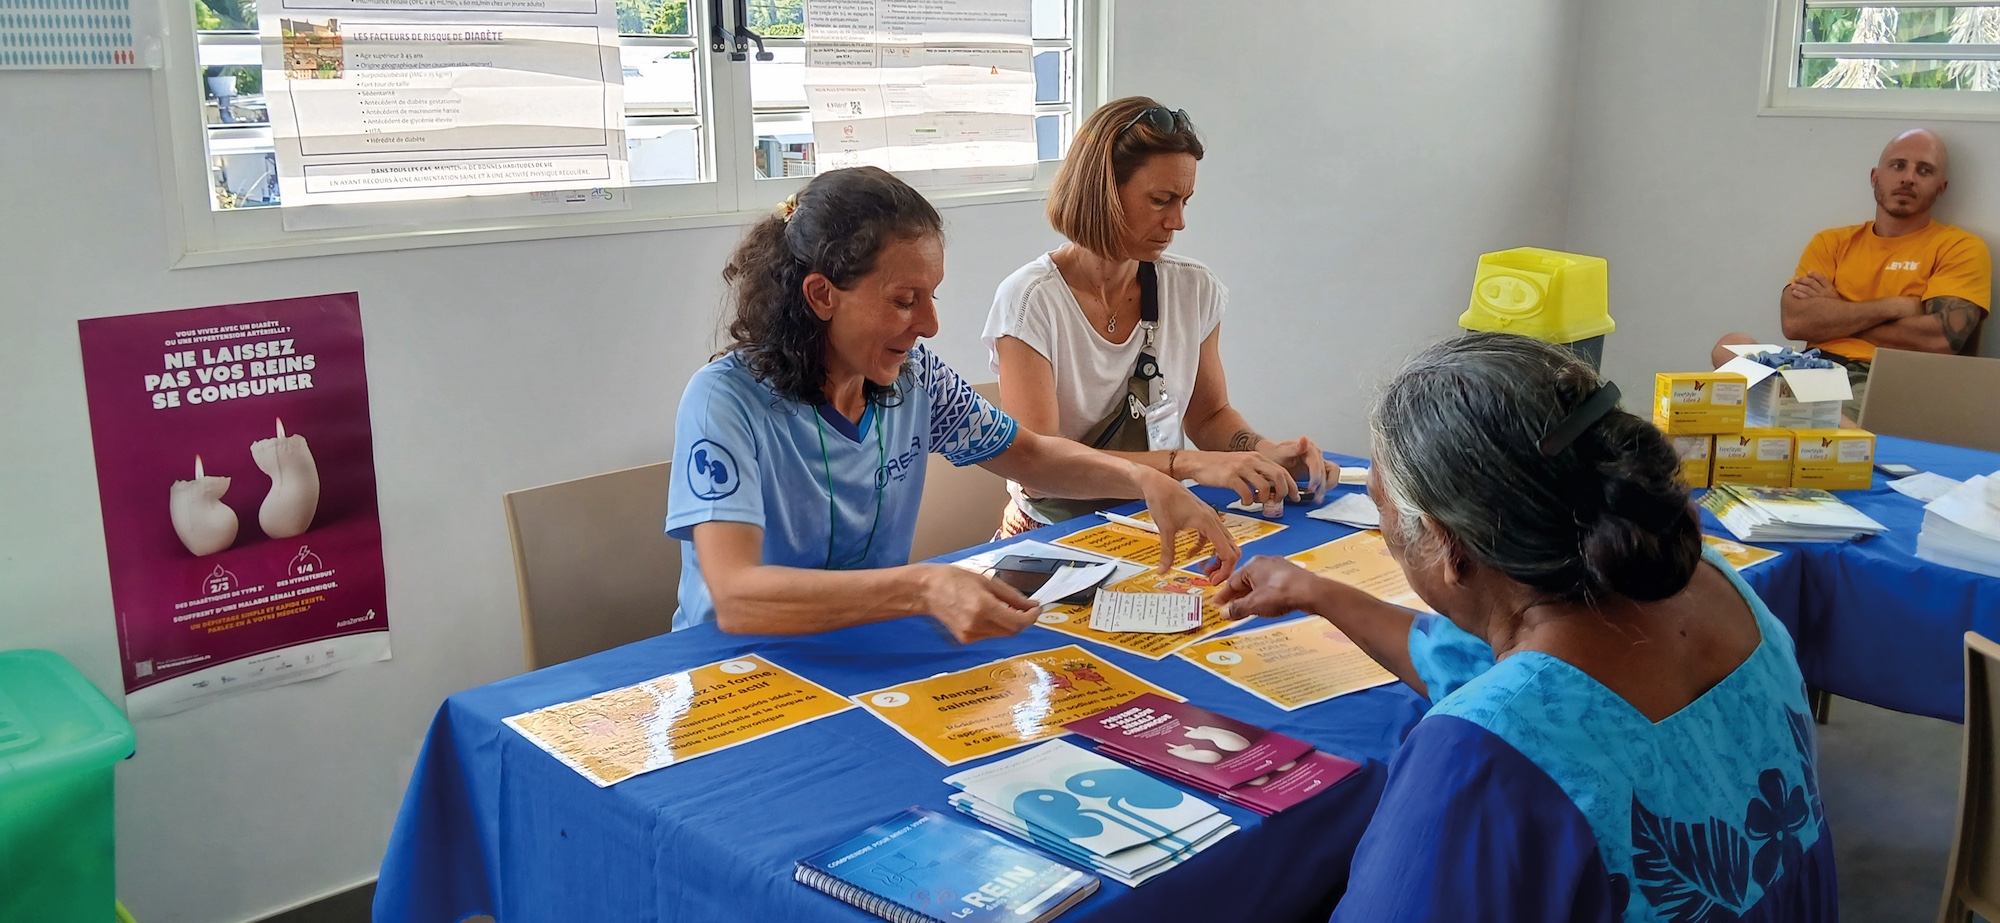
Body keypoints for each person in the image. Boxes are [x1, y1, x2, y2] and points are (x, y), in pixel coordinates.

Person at [1217, 333, 1834, 921]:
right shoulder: (1709, 580)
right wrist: (1317, 592)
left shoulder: (1475, 763)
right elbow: (1510, 677)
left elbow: (1514, 715)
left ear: (1442, 542)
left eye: (1381, 509)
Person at [666, 166, 1241, 642]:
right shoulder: (726, 400)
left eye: (932, 297)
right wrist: (923, 586)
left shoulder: (915, 380)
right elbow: (737, 597)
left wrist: (1149, 479)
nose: (930, 325)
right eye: (903, 301)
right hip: (739, 668)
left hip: (864, 640)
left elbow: (1031, 455)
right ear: (822, 295)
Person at [983, 96, 1335, 536]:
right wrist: (1189, 463)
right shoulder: (1030, 302)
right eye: (1161, 200)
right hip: (1055, 532)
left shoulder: (1194, 289)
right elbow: (1041, 468)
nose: (1178, 221)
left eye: (1185, 200)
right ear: (1103, 193)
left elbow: (1208, 416)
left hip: (1158, 518)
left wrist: (1264, 454)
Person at [1713, 128, 1989, 418]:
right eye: (1898, 166)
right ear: (1875, 177)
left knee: (1783, 407)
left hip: (1882, 378)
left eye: (1924, 170)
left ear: (1940, 188)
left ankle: (1788, 407)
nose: (1908, 177)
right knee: (1730, 345)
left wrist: (1836, 309)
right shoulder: (1831, 242)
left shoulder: (1960, 247)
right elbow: (1795, 321)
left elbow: (1941, 339)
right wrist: (1894, 306)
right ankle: (1790, 405)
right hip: (1813, 366)